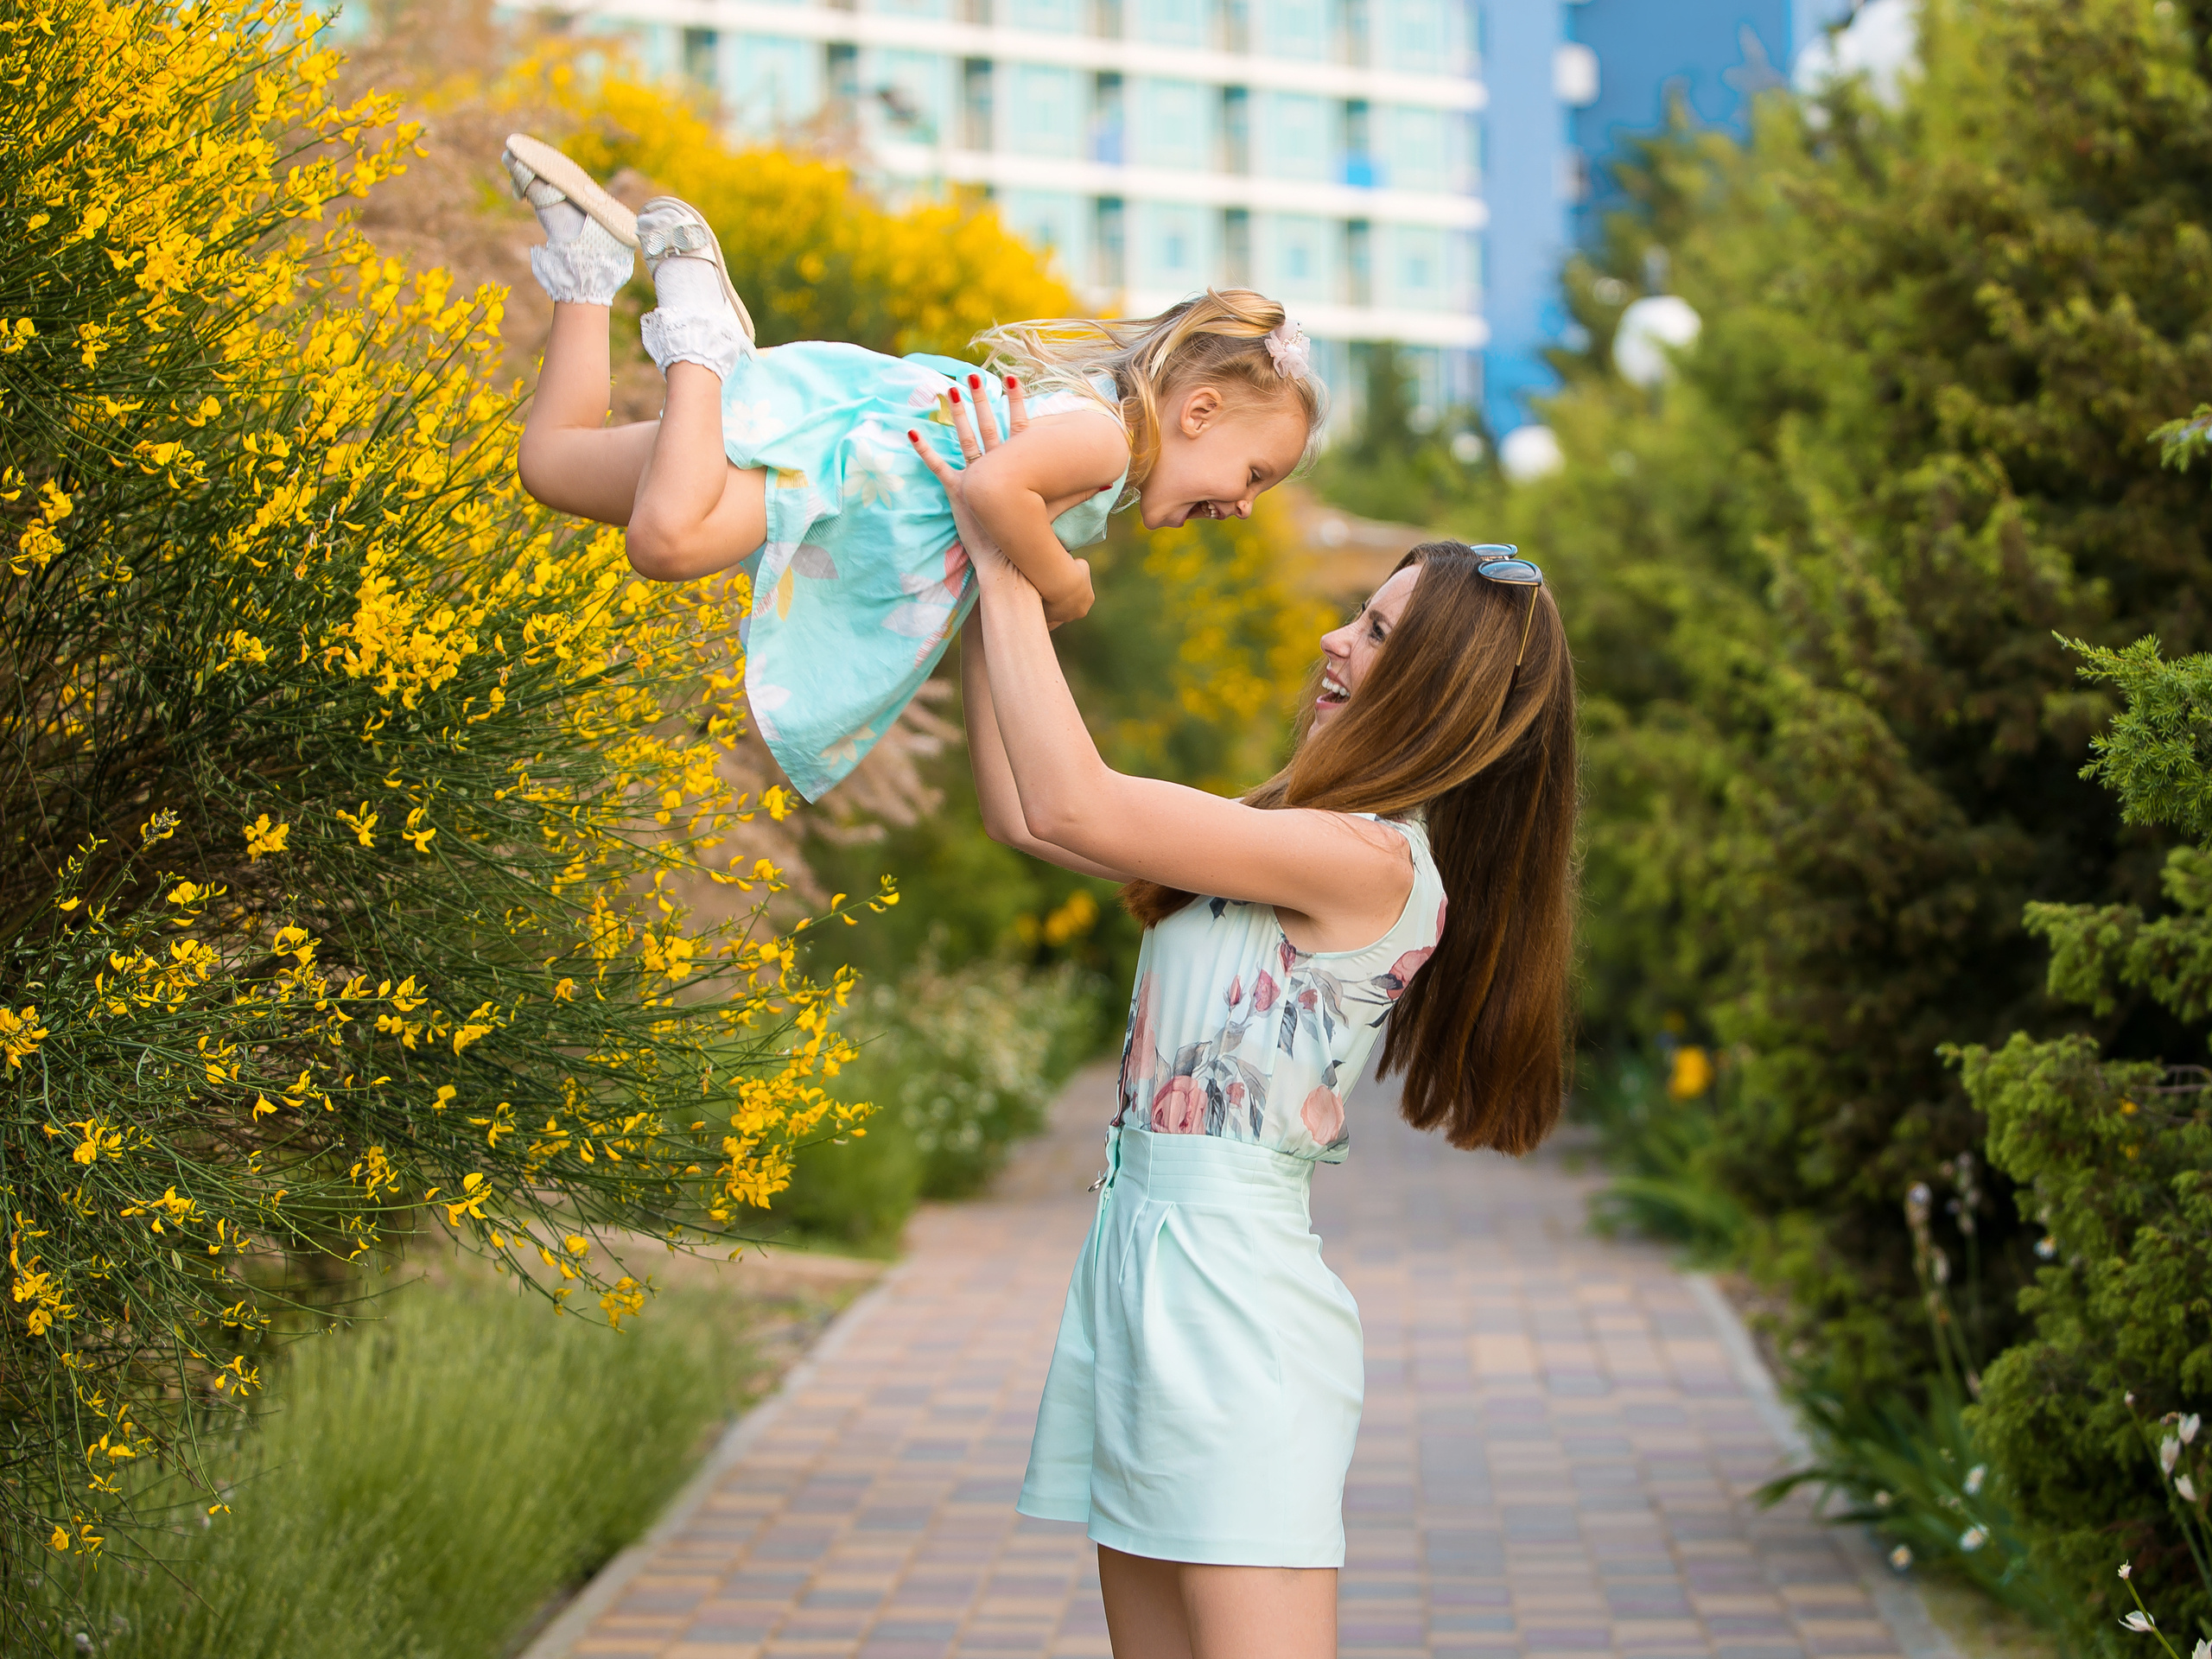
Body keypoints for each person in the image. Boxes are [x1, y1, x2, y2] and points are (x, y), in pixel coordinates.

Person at [904, 386, 1578, 1657]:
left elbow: (1082, 799)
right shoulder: (1280, 836)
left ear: (1431, 691)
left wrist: (1009, 540)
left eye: (1375, 634)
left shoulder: (1371, 863)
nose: (1335, 640)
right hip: (1137, 1273)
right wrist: (990, 564)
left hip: (1235, 1306)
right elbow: (1030, 814)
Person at [497, 133, 1327, 799]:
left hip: (834, 441)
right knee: (667, 542)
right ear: (1200, 411)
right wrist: (1065, 581)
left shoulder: (1097, 441)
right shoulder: (1105, 441)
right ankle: (701, 336)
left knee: (552, 465)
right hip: (839, 474)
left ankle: (586, 265)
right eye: (1254, 474)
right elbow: (992, 487)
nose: (1247, 505)